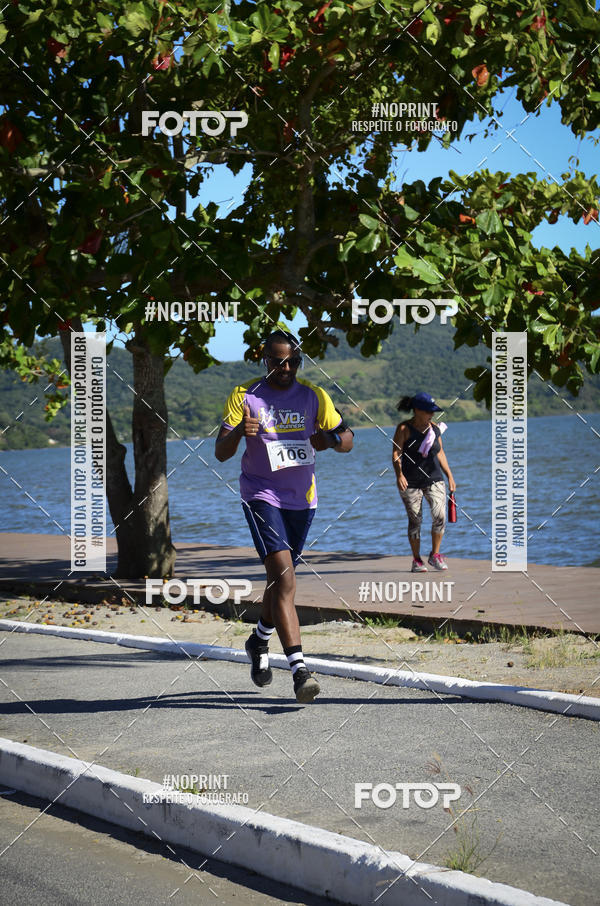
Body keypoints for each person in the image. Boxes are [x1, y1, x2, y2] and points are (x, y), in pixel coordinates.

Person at [215, 330, 354, 703]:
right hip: (261, 494)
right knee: (286, 580)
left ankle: (257, 640)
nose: (286, 368)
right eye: (278, 361)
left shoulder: (313, 395)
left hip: (302, 501)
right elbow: (221, 452)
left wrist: (329, 441)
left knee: (279, 583)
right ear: (265, 360)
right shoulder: (245, 396)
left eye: (293, 361)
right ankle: (299, 671)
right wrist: (239, 434)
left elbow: (348, 438)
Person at [392, 392, 456, 572]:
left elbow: (440, 452)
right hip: (410, 482)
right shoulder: (404, 429)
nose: (432, 415)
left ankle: (435, 555)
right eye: (429, 411)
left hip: (434, 478)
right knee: (415, 520)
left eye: (433, 412)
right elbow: (396, 453)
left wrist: (450, 475)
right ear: (417, 410)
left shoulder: (434, 429)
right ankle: (417, 560)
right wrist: (399, 475)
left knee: (440, 516)